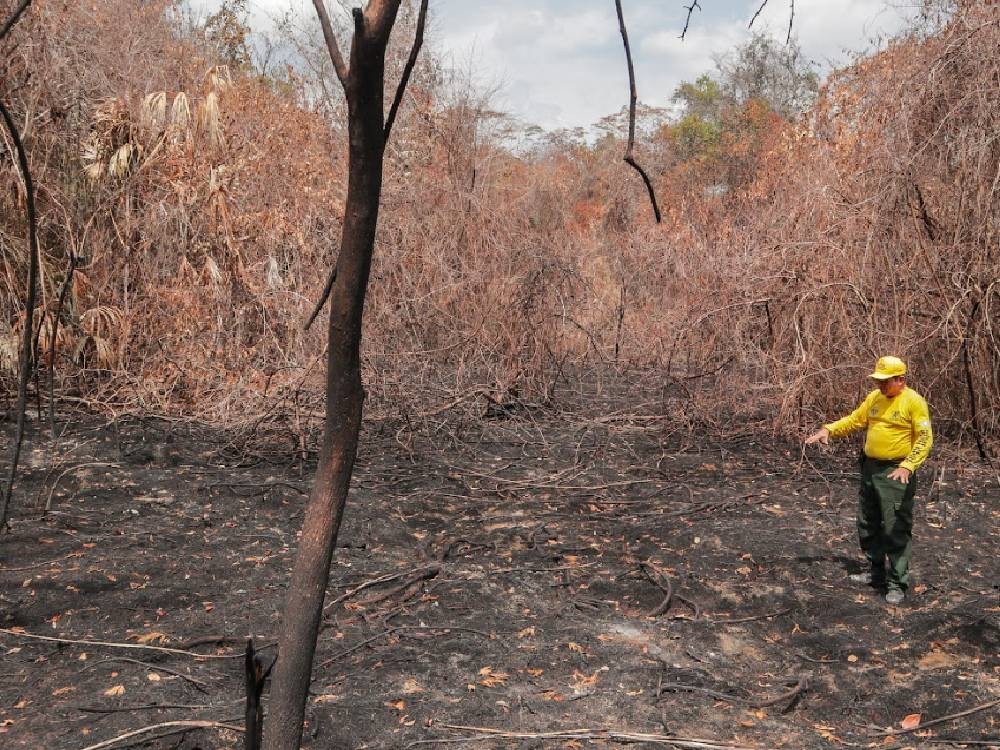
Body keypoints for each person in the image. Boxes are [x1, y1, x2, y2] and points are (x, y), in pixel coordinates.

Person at [805, 356, 933, 604]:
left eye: (885, 382)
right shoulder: (874, 399)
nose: (881, 386)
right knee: (868, 522)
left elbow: (924, 438)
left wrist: (908, 465)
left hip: (896, 472)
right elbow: (855, 419)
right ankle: (875, 572)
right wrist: (829, 429)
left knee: (895, 526)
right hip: (870, 469)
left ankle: (896, 582)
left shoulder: (913, 402)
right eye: (878, 381)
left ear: (900, 380)